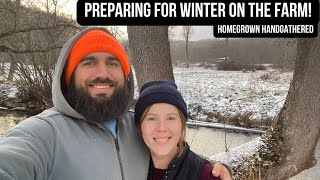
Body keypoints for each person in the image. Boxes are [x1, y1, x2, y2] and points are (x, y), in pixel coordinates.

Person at [0, 27, 231, 180]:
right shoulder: (44, 133)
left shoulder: (138, 126)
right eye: (88, 62)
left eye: (113, 63)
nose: (103, 73)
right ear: (68, 75)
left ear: (125, 75)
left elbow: (175, 155)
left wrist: (213, 171)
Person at [134, 80, 222, 180]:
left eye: (171, 118)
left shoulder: (206, 175)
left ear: (182, 124)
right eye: (152, 118)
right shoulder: (128, 168)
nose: (162, 128)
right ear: (140, 126)